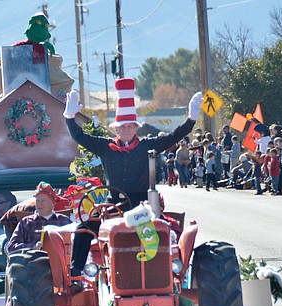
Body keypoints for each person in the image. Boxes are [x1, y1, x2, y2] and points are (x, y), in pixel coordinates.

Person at [64, 78, 201, 277]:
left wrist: (191, 119)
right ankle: (76, 273)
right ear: (116, 129)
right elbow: (80, 137)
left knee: (164, 231)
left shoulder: (147, 146)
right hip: (112, 206)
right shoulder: (105, 147)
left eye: (130, 127)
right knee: (82, 229)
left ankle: (168, 272)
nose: (126, 130)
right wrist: (69, 117)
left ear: (136, 128)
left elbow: (173, 137)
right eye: (122, 127)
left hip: (142, 204)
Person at [7, 182, 72, 253]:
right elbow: (11, 247)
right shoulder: (26, 222)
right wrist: (32, 247)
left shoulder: (64, 221)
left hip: (60, 261)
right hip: (33, 261)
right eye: (37, 201)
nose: (39, 204)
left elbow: (75, 242)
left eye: (43, 200)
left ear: (53, 203)